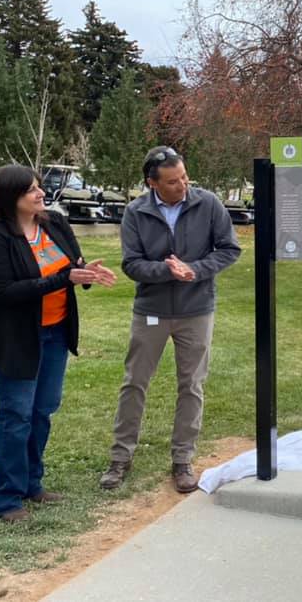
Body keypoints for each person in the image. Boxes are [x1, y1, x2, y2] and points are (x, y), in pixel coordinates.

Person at [0, 164, 116, 522]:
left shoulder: (54, 223)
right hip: (16, 339)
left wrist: (87, 272)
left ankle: (32, 484)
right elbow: (5, 293)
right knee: (16, 415)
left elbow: (72, 263)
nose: (40, 194)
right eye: (30, 190)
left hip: (55, 333)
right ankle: (6, 497)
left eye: (38, 187)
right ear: (9, 199)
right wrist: (64, 278)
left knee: (42, 411)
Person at [100, 146, 241, 493]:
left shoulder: (207, 204)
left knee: (191, 385)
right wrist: (166, 271)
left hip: (197, 311)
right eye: (174, 182)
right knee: (135, 382)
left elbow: (229, 249)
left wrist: (194, 270)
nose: (183, 185)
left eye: (184, 177)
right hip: (151, 311)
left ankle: (182, 460)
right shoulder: (135, 212)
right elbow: (131, 264)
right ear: (152, 183)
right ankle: (120, 458)